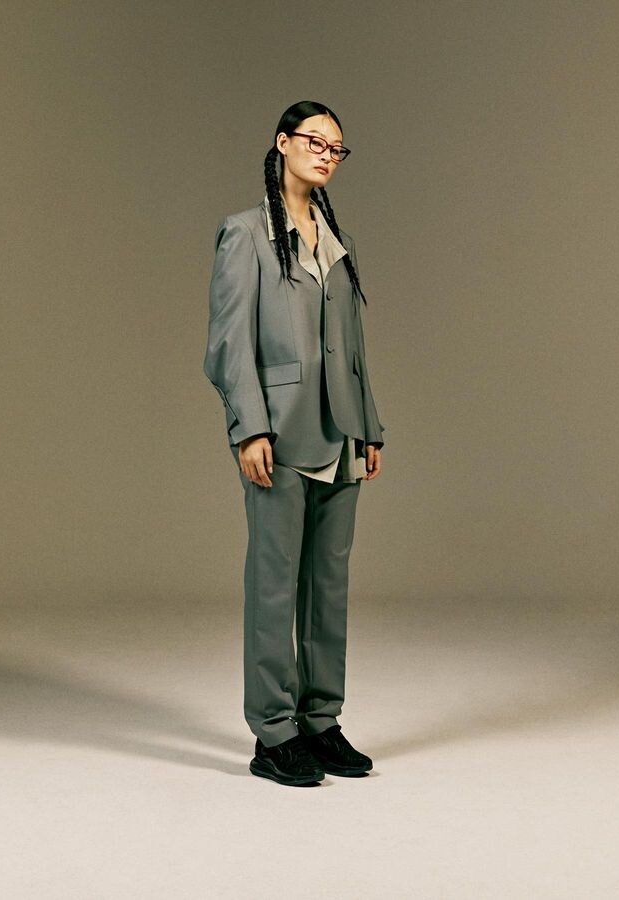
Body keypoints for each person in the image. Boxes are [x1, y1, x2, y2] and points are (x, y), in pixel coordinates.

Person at [203, 100, 386, 787]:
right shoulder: (246, 234)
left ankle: (320, 720)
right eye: (315, 141)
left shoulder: (340, 243)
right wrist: (248, 427)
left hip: (341, 432)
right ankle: (274, 732)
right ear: (282, 143)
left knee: (329, 585)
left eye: (337, 148)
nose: (326, 155)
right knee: (275, 585)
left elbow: (353, 350)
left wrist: (370, 425)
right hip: (279, 433)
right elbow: (228, 344)